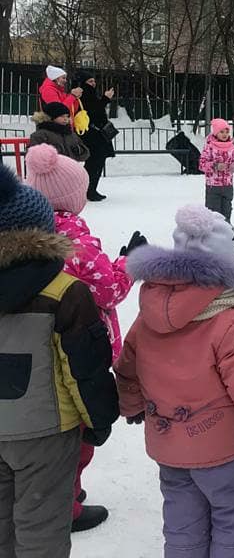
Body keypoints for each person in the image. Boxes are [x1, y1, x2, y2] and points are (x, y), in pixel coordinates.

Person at [116, 205, 234, 558]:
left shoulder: (148, 317)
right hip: (225, 453)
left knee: (182, 526)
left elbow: (127, 368)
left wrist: (131, 405)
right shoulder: (233, 322)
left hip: (169, 447)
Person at [25, 143, 146, 531]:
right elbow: (107, 289)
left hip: (31, 346)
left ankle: (58, 493)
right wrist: (130, 262)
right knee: (77, 436)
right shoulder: (71, 235)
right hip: (74, 347)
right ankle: (68, 505)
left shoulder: (25, 230)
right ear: (70, 198)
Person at [0, 164, 119, 555]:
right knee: (42, 529)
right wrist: (99, 421)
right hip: (47, 434)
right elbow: (84, 368)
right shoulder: (66, 291)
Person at [77, 71, 117, 201]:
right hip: (93, 135)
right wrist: (105, 99)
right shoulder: (84, 95)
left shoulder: (90, 94)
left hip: (96, 134)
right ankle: (89, 190)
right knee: (94, 163)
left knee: (94, 163)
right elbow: (94, 111)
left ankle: (90, 189)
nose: (93, 84)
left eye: (94, 81)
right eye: (90, 81)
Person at [199, 118, 234, 222]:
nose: (225, 134)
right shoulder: (209, 147)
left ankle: (226, 229)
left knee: (226, 209)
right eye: (221, 132)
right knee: (213, 210)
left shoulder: (232, 147)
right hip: (213, 186)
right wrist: (214, 166)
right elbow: (201, 164)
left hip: (227, 185)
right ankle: (213, 230)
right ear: (215, 133)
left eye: (227, 132)